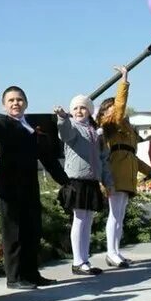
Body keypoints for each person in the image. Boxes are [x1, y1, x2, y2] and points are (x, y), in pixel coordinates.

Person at [0, 78, 69, 289]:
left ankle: (32, 273)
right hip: (9, 186)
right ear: (4, 105)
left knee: (32, 230)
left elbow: (48, 159)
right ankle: (15, 277)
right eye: (11, 100)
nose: (15, 103)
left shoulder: (32, 127)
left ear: (25, 103)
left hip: (29, 185)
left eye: (19, 100)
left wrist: (65, 182)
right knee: (14, 232)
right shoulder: (2, 122)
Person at [98, 67, 151, 266]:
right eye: (112, 108)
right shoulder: (111, 125)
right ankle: (111, 252)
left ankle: (116, 250)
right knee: (114, 215)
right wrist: (124, 81)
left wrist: (149, 171)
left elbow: (132, 156)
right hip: (115, 174)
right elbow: (121, 105)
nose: (117, 110)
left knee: (120, 215)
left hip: (127, 174)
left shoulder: (127, 129)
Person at [55, 95, 114, 275]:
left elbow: (102, 159)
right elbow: (64, 133)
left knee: (88, 221)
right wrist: (62, 118)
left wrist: (107, 181)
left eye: (83, 108)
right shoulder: (71, 127)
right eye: (76, 108)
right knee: (79, 220)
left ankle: (85, 258)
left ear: (89, 110)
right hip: (76, 180)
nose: (79, 111)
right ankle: (77, 261)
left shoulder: (93, 130)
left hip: (91, 180)